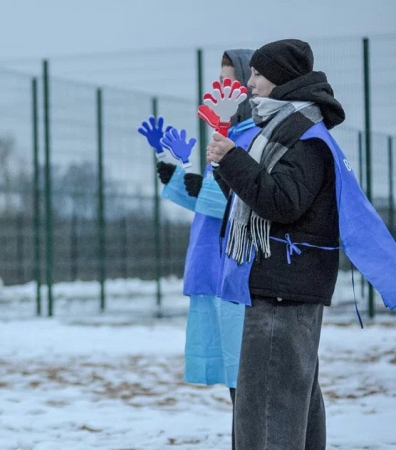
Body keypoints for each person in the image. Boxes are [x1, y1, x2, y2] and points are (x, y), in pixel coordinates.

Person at [204, 38, 396, 449]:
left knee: (268, 412)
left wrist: (233, 158)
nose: (250, 83)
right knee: (291, 404)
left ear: (280, 78)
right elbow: (255, 196)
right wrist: (225, 164)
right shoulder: (283, 128)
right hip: (280, 287)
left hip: (283, 291)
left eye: (257, 74)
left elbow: (282, 203)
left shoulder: (304, 137)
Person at [143, 49, 259, 450]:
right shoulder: (229, 135)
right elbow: (210, 200)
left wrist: (198, 182)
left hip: (238, 270)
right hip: (215, 266)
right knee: (236, 381)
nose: (222, 86)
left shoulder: (250, 136)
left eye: (232, 78)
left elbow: (235, 199)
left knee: (248, 381)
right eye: (220, 77)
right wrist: (173, 170)